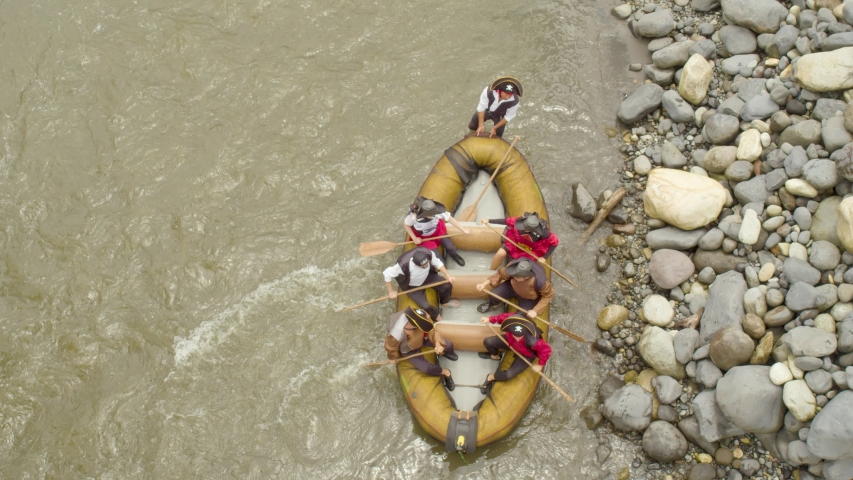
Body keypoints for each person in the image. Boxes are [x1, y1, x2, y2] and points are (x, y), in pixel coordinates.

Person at [385, 306, 457, 390]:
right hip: (410, 349)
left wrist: (437, 344)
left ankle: (444, 353)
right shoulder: (396, 333)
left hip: (423, 338)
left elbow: (431, 330)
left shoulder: (421, 314)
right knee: (427, 369)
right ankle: (446, 372)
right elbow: (391, 346)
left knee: (448, 344)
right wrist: (393, 357)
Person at [478, 313, 551, 394]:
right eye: (515, 335)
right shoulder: (511, 321)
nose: (517, 338)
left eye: (520, 336)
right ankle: (495, 356)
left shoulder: (533, 341)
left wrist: (540, 365)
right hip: (511, 343)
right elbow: (503, 317)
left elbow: (546, 350)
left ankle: (491, 377)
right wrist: (489, 319)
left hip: (526, 354)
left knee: (508, 375)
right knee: (488, 342)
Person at [383, 246, 458, 321]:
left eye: (427, 263)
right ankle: (436, 316)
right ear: (415, 264)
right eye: (423, 266)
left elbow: (437, 263)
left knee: (447, 286)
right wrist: (390, 291)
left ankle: (444, 302)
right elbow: (387, 273)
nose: (426, 266)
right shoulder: (402, 265)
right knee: (426, 306)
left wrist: (448, 275)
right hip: (412, 286)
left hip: (428, 277)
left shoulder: (428, 253)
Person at [475, 258, 554, 317]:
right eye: (514, 276)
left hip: (529, 297)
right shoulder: (513, 268)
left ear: (526, 277)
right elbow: (501, 274)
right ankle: (494, 305)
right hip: (512, 287)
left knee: (520, 316)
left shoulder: (540, 282)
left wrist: (535, 311)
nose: (515, 277)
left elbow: (548, 295)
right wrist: (484, 284)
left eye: (518, 277)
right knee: (494, 295)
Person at [480, 212, 559, 270]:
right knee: (500, 254)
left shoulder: (544, 234)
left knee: (511, 266)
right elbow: (506, 221)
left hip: (529, 251)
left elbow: (555, 243)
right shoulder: (519, 221)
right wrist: (488, 220)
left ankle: (504, 276)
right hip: (514, 242)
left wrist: (544, 258)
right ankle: (491, 271)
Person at [404, 196, 469, 267]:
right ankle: (443, 266)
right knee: (439, 259)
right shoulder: (413, 217)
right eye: (430, 214)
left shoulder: (437, 212)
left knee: (451, 248)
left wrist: (463, 230)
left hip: (437, 231)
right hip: (424, 238)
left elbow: (450, 219)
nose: (433, 215)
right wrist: (414, 238)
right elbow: (406, 224)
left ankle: (454, 255)